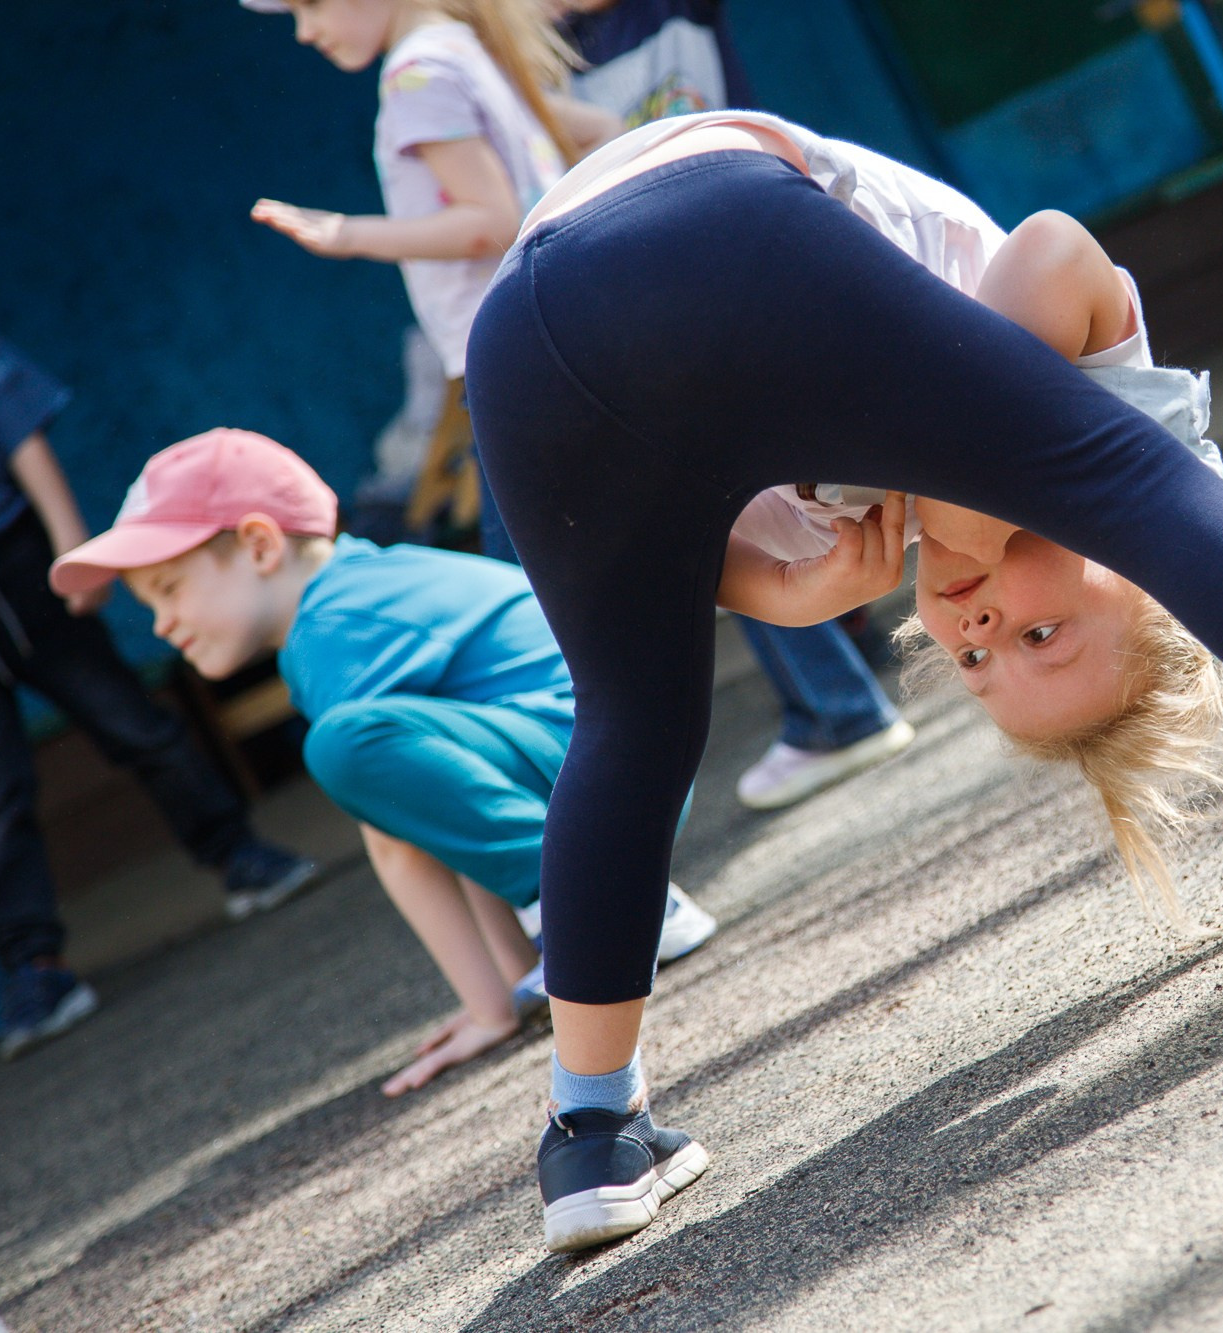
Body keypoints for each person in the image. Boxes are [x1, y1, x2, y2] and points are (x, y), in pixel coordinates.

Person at [466, 113, 1223, 1252]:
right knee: (1124, 476)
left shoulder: (871, 491)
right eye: (1043, 636)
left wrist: (776, 590)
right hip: (707, 214)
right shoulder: (1109, 421)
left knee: (633, 716)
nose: (982, 622)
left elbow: (693, 490)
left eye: (978, 660)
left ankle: (591, 1131)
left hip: (524, 332)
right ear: (1145, 590)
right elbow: (1049, 249)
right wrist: (966, 509)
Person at [50, 429, 716, 1096]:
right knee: (366, 756)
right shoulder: (355, 589)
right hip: (617, 759)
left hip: (611, 768)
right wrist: (498, 1000)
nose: (162, 623)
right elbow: (425, 816)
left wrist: (496, 995)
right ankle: (582, 921)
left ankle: (619, 913)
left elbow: (395, 833)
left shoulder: (335, 626)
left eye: (169, 588)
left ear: (258, 544)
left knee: (344, 746)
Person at [549, 0, 919, 812]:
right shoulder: (539, 47)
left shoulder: (666, 13)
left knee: (722, 483)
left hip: (731, 236)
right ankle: (838, 687)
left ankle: (838, 701)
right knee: (735, 485)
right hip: (668, 274)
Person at [0, 319, 317, 1062]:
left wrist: (71, 548)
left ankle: (239, 854)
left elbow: (18, 427)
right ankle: (36, 964)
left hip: (11, 559)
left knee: (128, 719)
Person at [242, 0, 621, 563]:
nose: (304, 31)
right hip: (564, 341)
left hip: (516, 361)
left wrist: (346, 235)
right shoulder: (461, 48)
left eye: (311, 5)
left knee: (542, 577)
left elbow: (490, 222)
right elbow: (603, 129)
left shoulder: (416, 73)